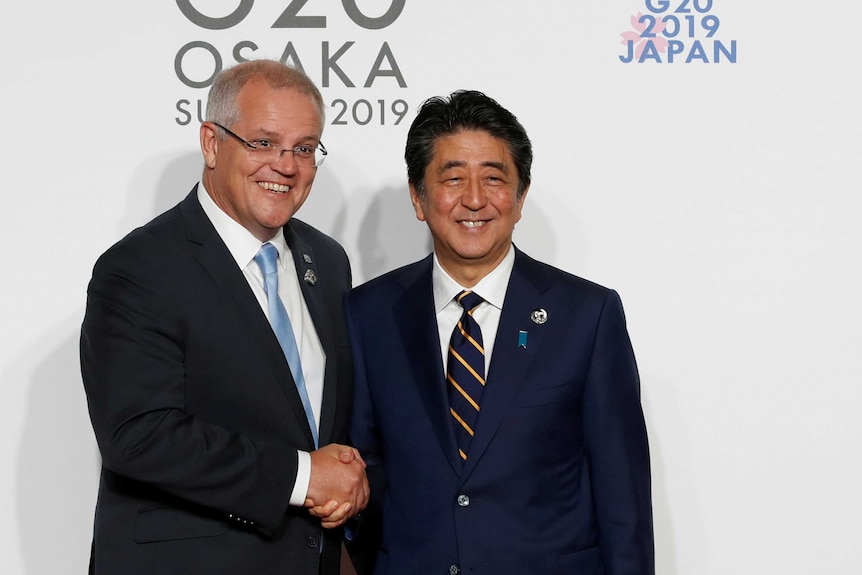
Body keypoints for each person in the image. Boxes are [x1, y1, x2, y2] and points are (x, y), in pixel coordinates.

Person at [347, 90, 654, 574]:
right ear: (418, 197)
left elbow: (625, 503)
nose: (474, 199)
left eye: (494, 179)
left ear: (520, 196)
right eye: (453, 179)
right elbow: (362, 477)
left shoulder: (588, 316)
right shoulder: (368, 314)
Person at [80, 59, 368, 575]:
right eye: (263, 142)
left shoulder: (326, 261)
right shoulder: (138, 269)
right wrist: (304, 477)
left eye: (304, 148)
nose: (286, 165)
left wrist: (348, 480)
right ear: (212, 143)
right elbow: (139, 434)